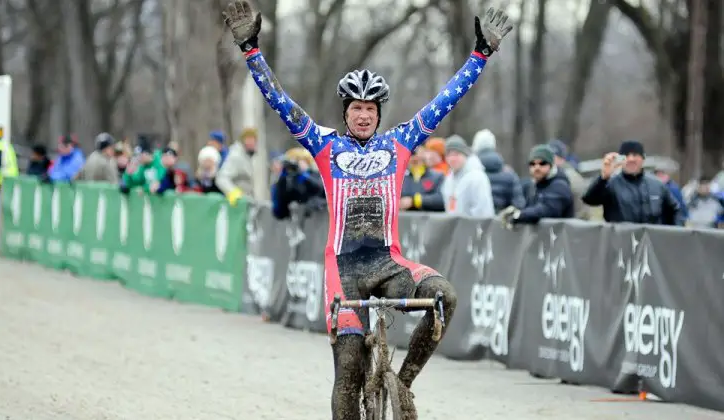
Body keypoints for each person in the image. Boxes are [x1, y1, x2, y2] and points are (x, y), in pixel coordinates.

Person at [221, 2, 512, 419]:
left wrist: (480, 54)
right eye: (356, 108)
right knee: (350, 370)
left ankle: (403, 384)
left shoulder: (401, 142)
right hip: (345, 272)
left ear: (378, 114)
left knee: (443, 296)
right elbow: (280, 102)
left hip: (389, 263)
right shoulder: (324, 144)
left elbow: (445, 99)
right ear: (346, 112)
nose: (363, 115)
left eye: (370, 109)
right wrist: (251, 49)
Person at [582, 141, 684, 226]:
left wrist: (673, 236)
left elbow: (676, 210)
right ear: (620, 160)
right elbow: (589, 199)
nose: (631, 159)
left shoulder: (657, 185)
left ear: (643, 158)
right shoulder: (611, 184)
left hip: (651, 245)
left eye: (635, 155)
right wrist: (603, 178)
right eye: (626, 155)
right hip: (621, 244)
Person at [499, 145, 574, 226]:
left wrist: (519, 215)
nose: (537, 167)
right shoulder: (533, 186)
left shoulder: (560, 185)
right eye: (532, 164)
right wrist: (515, 211)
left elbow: (548, 209)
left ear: (551, 165)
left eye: (542, 163)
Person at [441, 135, 495, 218]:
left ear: (465, 154)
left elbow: (482, 211)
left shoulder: (476, 177)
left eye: (456, 154)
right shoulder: (449, 179)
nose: (452, 158)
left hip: (473, 228)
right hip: (454, 228)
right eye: (449, 155)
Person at [472, 128, 525, 212]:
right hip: (501, 222)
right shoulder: (509, 174)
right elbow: (519, 204)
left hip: (476, 222)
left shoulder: (470, 173)